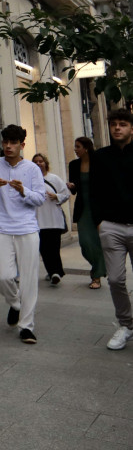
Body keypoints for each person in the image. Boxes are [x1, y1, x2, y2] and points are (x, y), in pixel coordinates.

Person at [0, 125, 46, 344]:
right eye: (5, 142)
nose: (8, 146)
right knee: (2, 276)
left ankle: (26, 327)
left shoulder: (32, 169)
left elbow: (40, 199)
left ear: (22, 145)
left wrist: (23, 190)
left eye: (13, 142)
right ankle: (16, 304)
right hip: (0, 227)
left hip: (27, 229)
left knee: (29, 280)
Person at [90, 109, 133, 350]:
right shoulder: (100, 157)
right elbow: (94, 191)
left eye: (123, 124)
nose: (117, 128)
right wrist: (100, 222)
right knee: (115, 279)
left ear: (131, 128)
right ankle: (126, 325)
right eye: (114, 124)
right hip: (111, 227)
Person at [67, 137, 106, 289]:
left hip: (99, 208)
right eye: (75, 146)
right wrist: (71, 186)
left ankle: (96, 275)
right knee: (85, 243)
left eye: (78, 146)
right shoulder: (74, 165)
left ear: (86, 148)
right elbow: (75, 190)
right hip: (83, 208)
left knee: (97, 242)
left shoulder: (99, 163)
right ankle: (98, 267)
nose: (75, 149)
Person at [31, 153, 69, 285]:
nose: (38, 164)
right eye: (35, 162)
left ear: (45, 163)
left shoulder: (54, 178)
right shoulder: (31, 180)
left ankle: (55, 272)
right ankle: (53, 272)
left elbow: (66, 194)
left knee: (54, 248)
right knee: (43, 249)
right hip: (38, 220)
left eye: (41, 161)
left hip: (54, 220)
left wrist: (56, 196)